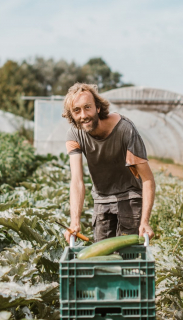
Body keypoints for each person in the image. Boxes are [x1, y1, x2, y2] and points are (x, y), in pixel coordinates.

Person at [62, 83, 155, 243]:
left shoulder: (125, 130)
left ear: (98, 108)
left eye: (87, 107)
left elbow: (147, 179)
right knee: (102, 258)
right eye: (77, 110)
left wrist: (145, 222)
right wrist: (75, 222)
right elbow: (77, 181)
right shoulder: (74, 135)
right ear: (71, 114)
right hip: (101, 198)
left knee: (127, 258)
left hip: (130, 196)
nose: (83, 115)